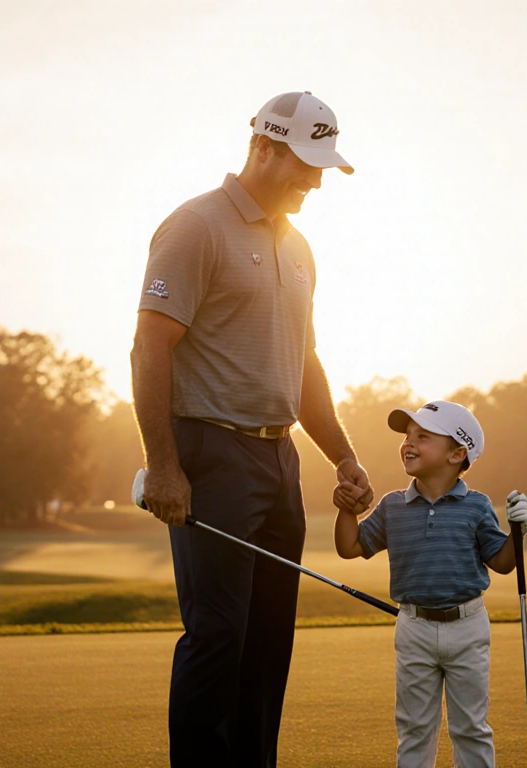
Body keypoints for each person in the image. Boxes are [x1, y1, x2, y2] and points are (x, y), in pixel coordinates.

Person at [130, 91, 374, 767]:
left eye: (323, 166)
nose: (316, 179)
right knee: (218, 635)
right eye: (306, 162)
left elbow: (305, 363)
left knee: (269, 640)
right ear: (263, 146)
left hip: (279, 460)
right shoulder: (196, 227)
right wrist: (165, 465)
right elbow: (150, 346)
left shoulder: (299, 248)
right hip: (211, 452)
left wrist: (343, 456)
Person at [334, 400, 527, 768]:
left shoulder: (476, 506)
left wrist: (517, 531)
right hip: (414, 627)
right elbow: (349, 547)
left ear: (456, 453)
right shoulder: (393, 506)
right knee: (415, 731)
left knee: (471, 728)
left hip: (468, 627)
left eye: (422, 436)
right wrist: (346, 507)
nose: (409, 443)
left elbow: (502, 563)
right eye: (408, 436)